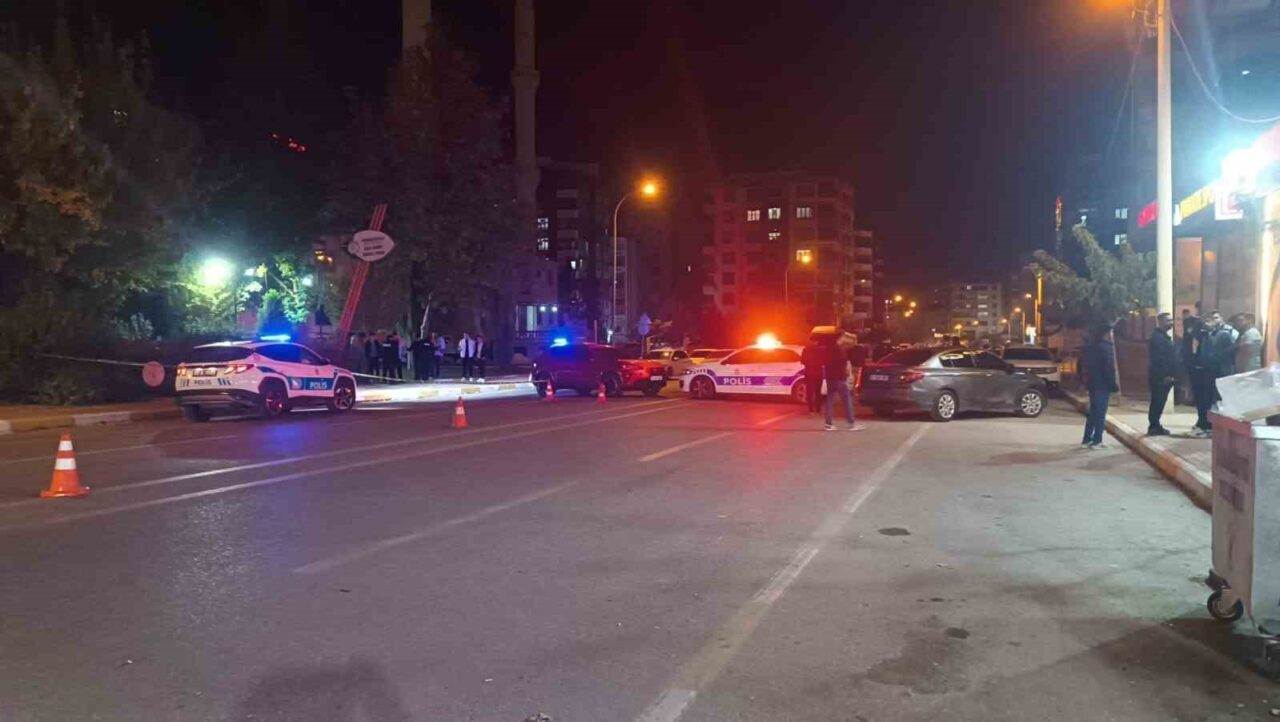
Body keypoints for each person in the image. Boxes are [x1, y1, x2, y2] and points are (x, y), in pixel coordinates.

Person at [1080, 322, 1118, 450]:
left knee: (1093, 412)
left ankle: (1086, 439)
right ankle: (1097, 440)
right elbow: (1109, 368)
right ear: (1106, 334)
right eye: (1110, 332)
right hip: (1103, 384)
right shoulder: (1106, 347)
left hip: (1092, 383)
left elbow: (1084, 365)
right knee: (1101, 413)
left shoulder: (1091, 346)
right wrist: (1113, 384)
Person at [823, 331, 865, 432]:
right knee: (847, 400)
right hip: (840, 378)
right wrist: (849, 375)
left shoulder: (828, 349)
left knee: (829, 400)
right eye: (844, 337)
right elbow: (844, 363)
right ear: (840, 338)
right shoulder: (839, 350)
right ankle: (851, 424)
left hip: (830, 378)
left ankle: (828, 424)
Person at [1147, 312, 1177, 436]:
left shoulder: (1163, 336)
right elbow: (1160, 359)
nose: (1171, 322)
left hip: (1163, 376)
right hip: (1160, 377)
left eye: (1171, 320)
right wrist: (1166, 375)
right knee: (1158, 402)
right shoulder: (1158, 338)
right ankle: (1154, 426)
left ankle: (1155, 425)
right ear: (1160, 322)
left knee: (1159, 402)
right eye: (1168, 320)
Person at [800, 335, 826, 414]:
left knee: (809, 392)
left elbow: (802, 361)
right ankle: (818, 409)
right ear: (817, 341)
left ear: (810, 341)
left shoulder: (806, 349)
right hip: (818, 372)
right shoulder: (822, 350)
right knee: (818, 391)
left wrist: (809, 363)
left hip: (809, 372)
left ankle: (811, 410)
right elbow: (824, 361)